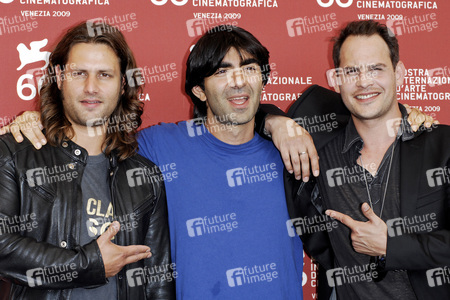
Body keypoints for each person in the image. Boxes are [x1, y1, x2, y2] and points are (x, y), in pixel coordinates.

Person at [0, 22, 174, 299]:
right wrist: (89, 264)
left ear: (122, 84)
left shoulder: (145, 176)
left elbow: (157, 281)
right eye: (79, 73)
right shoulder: (16, 153)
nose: (91, 87)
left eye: (104, 75)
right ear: (59, 77)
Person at [287, 20, 450, 300]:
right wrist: (276, 124)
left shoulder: (442, 145)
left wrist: (391, 246)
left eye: (376, 68)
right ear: (336, 79)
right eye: (351, 71)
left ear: (398, 72)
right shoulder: (318, 144)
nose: (364, 81)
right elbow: (246, 115)